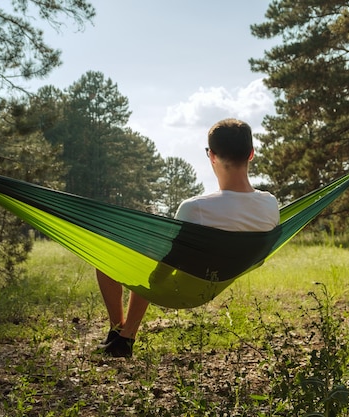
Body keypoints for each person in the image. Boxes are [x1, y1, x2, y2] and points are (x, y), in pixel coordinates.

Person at [95, 118, 280, 358]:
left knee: (108, 257)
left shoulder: (195, 208)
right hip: (219, 281)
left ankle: (121, 332)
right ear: (251, 154)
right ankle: (122, 339)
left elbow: (166, 262)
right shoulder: (270, 204)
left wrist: (152, 280)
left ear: (211, 156)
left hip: (182, 288)